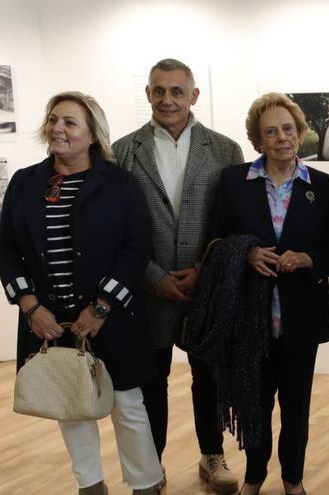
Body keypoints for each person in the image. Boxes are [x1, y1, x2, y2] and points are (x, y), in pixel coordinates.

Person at [0, 91, 162, 494]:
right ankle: (90, 485)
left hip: (114, 318)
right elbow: (5, 250)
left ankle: (145, 484)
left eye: (70, 122)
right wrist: (31, 306)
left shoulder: (120, 184)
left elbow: (137, 248)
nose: (58, 128)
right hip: (50, 320)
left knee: (127, 405)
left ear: (92, 134)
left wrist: (101, 306)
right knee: (69, 405)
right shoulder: (25, 183)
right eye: (54, 119)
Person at [112, 58, 243, 493]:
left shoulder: (225, 150)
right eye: (158, 91)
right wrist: (153, 277)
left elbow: (233, 222)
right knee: (152, 380)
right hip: (146, 288)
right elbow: (116, 229)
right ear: (148, 93)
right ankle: (152, 467)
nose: (167, 99)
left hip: (206, 287)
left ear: (194, 96)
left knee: (209, 375)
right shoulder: (122, 151)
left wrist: (204, 271)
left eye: (176, 91)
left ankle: (212, 455)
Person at [209, 92, 329, 495]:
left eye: (288, 129)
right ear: (257, 139)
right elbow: (215, 240)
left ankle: (292, 478)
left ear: (300, 133)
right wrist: (245, 252)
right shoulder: (234, 182)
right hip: (250, 319)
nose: (281, 137)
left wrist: (307, 260)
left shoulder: (321, 184)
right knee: (255, 404)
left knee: (296, 408)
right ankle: (254, 476)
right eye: (270, 131)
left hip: (301, 316)